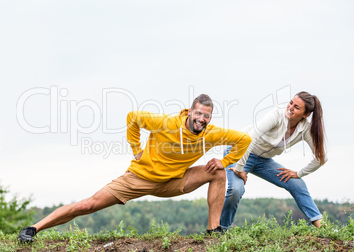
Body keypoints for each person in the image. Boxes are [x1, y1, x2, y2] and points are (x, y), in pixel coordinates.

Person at [18, 94, 252, 242]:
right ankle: (33, 229)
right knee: (89, 204)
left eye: (207, 116)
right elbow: (133, 118)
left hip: (174, 180)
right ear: (190, 112)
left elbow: (244, 140)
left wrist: (225, 160)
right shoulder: (166, 123)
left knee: (219, 172)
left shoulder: (212, 133)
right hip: (139, 178)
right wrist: (135, 148)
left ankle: (214, 232)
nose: (202, 119)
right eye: (199, 113)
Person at [220, 91, 327, 230]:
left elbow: (321, 157)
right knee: (236, 189)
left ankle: (322, 227)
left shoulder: (305, 128)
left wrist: (299, 173)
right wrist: (239, 168)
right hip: (240, 152)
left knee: (297, 183)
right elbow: (250, 138)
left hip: (263, 161)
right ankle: (222, 230)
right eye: (291, 103)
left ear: (306, 114)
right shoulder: (277, 115)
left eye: (297, 107)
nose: (290, 107)